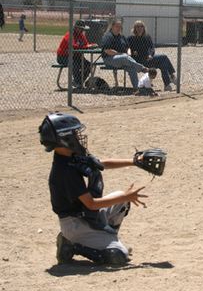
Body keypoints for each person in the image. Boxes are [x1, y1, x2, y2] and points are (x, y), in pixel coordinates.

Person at [39, 112, 148, 265]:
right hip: (75, 224)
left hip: (87, 216)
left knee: (120, 200)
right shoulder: (64, 171)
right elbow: (91, 204)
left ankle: (105, 238)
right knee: (119, 256)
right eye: (74, 134)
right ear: (64, 139)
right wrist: (126, 196)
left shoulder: (70, 156)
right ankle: (71, 244)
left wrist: (134, 162)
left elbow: (101, 164)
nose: (79, 137)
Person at [127, 20, 177, 91]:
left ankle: (167, 84)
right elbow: (128, 49)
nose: (139, 28)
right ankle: (171, 78)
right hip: (138, 61)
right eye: (137, 26)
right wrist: (131, 53)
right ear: (134, 28)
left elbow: (152, 48)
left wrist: (150, 55)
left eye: (141, 26)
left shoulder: (147, 37)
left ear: (144, 28)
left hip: (148, 59)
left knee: (163, 61)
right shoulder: (131, 38)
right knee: (163, 59)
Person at [100, 19, 150, 90]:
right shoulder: (108, 36)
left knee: (132, 68)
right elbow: (107, 50)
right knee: (124, 57)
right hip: (109, 59)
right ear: (112, 27)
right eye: (117, 26)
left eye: (120, 27)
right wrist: (121, 54)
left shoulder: (121, 36)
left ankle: (137, 88)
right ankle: (142, 68)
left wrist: (128, 53)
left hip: (123, 59)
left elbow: (128, 47)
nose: (119, 28)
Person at [56, 20, 98, 88]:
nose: (82, 30)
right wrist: (86, 47)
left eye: (83, 29)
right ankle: (77, 82)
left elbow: (86, 44)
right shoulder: (69, 35)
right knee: (75, 64)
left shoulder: (81, 35)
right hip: (63, 57)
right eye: (80, 28)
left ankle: (78, 82)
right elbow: (73, 46)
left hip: (76, 56)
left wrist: (92, 45)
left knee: (89, 65)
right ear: (75, 27)